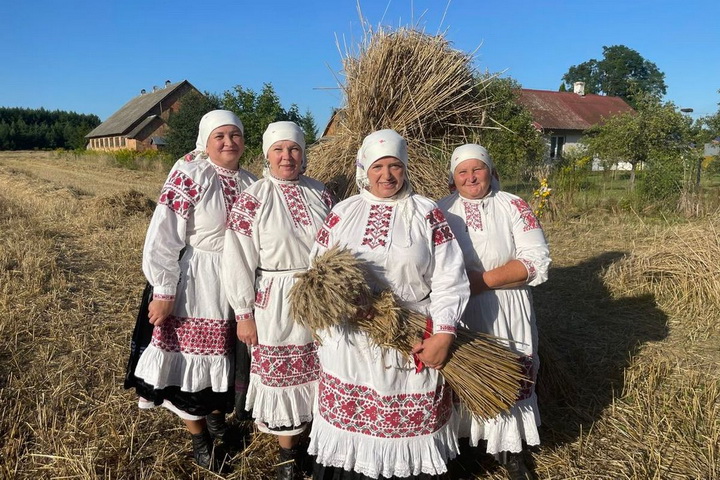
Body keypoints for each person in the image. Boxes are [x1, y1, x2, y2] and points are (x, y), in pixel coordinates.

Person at [307, 129, 470, 479]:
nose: (387, 175)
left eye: (395, 165)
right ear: (364, 170)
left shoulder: (426, 212)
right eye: (378, 167)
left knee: (408, 426)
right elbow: (317, 269)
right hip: (352, 340)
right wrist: (345, 303)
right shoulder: (343, 213)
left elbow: (450, 278)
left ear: (405, 168)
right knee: (354, 430)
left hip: (410, 334)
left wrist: (444, 334)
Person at [125, 110, 256, 472]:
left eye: (235, 135)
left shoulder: (252, 182)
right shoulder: (191, 173)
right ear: (205, 141)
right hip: (198, 280)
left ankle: (216, 421)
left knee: (227, 360)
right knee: (190, 364)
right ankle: (200, 440)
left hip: (237, 280)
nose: (229, 142)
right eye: (220, 136)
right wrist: (164, 289)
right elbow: (165, 232)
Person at [222, 121, 334, 479]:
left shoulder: (321, 193)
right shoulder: (253, 198)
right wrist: (243, 313)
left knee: (324, 371)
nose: (287, 156)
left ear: (304, 154)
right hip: (276, 300)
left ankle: (317, 447)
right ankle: (287, 458)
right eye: (279, 150)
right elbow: (237, 258)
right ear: (267, 155)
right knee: (284, 378)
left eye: (294, 149)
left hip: (321, 297)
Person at [437, 144, 551, 480]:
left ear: (491, 171)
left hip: (507, 307)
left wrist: (479, 282)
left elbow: (536, 261)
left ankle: (510, 452)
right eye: (463, 171)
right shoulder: (440, 210)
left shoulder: (513, 205)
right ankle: (464, 450)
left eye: (478, 169)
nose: (471, 177)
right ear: (453, 178)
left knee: (510, 373)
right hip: (458, 310)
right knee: (463, 376)